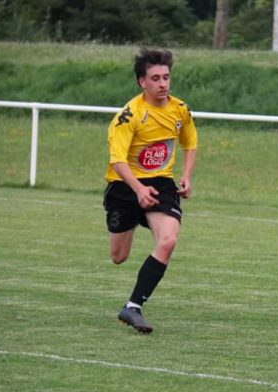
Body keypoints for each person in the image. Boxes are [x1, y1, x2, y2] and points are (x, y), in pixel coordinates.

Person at [103, 48, 198, 334]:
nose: (163, 84)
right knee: (118, 257)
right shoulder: (129, 116)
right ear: (141, 82)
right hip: (124, 186)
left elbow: (189, 142)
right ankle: (136, 218)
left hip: (161, 185)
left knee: (168, 241)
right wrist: (138, 189)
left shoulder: (180, 109)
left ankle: (133, 307)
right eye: (155, 78)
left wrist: (186, 176)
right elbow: (117, 161)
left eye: (166, 77)